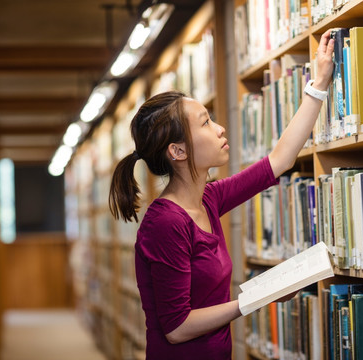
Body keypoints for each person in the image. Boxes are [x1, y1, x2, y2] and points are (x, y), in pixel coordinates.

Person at [108, 29, 335, 359]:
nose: (219, 128)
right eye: (205, 123)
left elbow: (280, 161)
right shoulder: (166, 223)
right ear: (179, 151)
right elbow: (176, 327)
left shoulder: (208, 198)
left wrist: (318, 85)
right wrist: (255, 298)